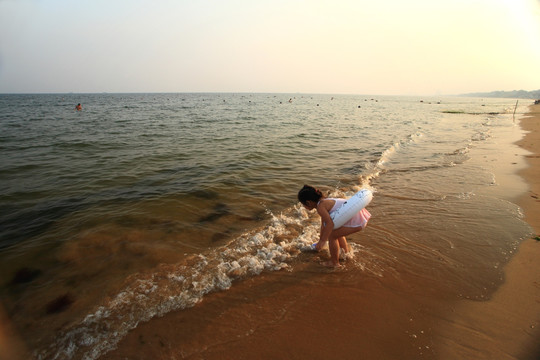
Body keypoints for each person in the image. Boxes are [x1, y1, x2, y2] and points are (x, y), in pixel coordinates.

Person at [298, 185, 371, 267]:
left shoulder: (320, 207)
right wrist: (321, 239)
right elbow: (324, 224)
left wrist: (322, 241)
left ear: (308, 202)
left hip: (357, 222)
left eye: (303, 204)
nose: (304, 207)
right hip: (361, 218)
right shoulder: (325, 201)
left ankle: (334, 262)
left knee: (332, 235)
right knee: (336, 232)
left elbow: (329, 224)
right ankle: (345, 254)